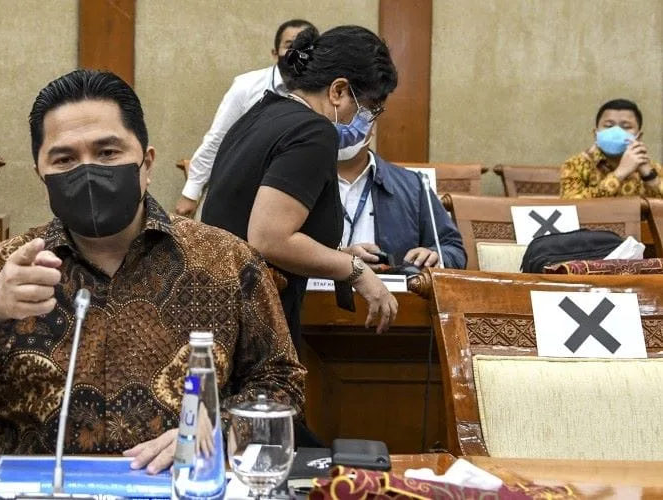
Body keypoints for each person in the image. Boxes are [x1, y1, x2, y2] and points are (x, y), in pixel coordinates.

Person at [0, 69, 306, 474]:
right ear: (41, 176)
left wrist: (217, 429)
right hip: (45, 488)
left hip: (180, 483)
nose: (88, 171)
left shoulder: (226, 260)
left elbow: (282, 384)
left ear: (146, 163)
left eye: (107, 153)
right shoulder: (4, 270)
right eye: (64, 159)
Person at [201, 26, 399, 345]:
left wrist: (335, 253)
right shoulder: (314, 132)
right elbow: (268, 238)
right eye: (369, 107)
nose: (368, 121)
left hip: (218, 311)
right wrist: (355, 270)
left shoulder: (263, 112)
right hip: (255, 327)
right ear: (338, 91)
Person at [174, 19, 317, 217]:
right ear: (275, 53)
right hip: (234, 194)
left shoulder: (322, 94)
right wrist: (191, 193)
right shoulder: (246, 86)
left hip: (290, 202)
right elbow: (217, 139)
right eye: (289, 46)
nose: (297, 53)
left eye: (305, 47)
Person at [337, 138, 467, 270]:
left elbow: (453, 249)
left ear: (372, 127)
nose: (345, 129)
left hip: (395, 283)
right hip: (325, 282)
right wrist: (339, 260)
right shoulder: (321, 180)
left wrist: (435, 256)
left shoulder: (414, 186)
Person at [560, 99, 662, 199]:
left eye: (626, 127)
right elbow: (570, 205)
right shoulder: (575, 165)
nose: (616, 132)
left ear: (638, 136)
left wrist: (649, 176)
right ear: (596, 134)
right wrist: (619, 174)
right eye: (609, 126)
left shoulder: (655, 169)